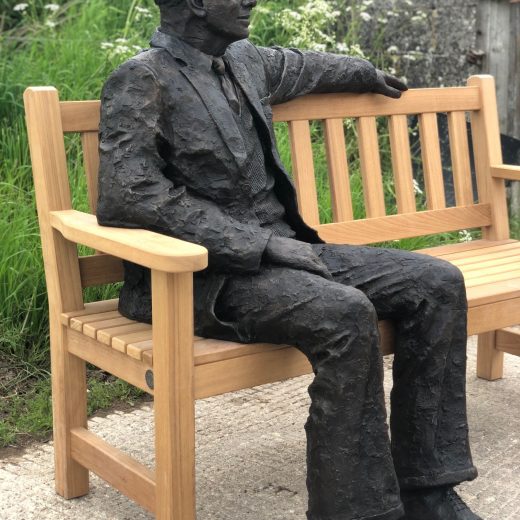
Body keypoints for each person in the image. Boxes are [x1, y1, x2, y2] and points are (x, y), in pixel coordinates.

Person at [96, 1, 482, 519]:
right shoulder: (142, 79)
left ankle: (428, 490)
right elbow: (129, 194)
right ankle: (355, 511)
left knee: (437, 282)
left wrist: (365, 72)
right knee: (343, 314)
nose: (250, 1)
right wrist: (262, 245)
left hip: (286, 251)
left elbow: (308, 65)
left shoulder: (244, 62)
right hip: (200, 276)